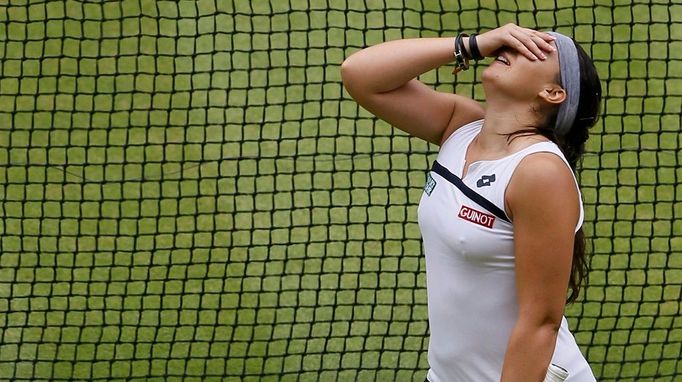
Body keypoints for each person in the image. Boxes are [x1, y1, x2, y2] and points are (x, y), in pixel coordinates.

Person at [341, 24, 601, 381]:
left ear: (552, 92)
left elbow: (540, 324)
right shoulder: (460, 128)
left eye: (537, 48)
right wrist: (470, 45)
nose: (513, 44)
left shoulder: (539, 172)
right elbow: (360, 74)